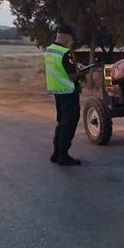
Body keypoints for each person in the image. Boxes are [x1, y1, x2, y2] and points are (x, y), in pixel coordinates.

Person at [44, 25, 87, 166]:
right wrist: (84, 72)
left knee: (61, 122)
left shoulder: (49, 50)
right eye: (71, 39)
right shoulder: (65, 53)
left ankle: (56, 153)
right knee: (69, 123)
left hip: (57, 91)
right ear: (66, 37)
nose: (71, 42)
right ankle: (63, 155)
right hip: (68, 91)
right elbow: (73, 75)